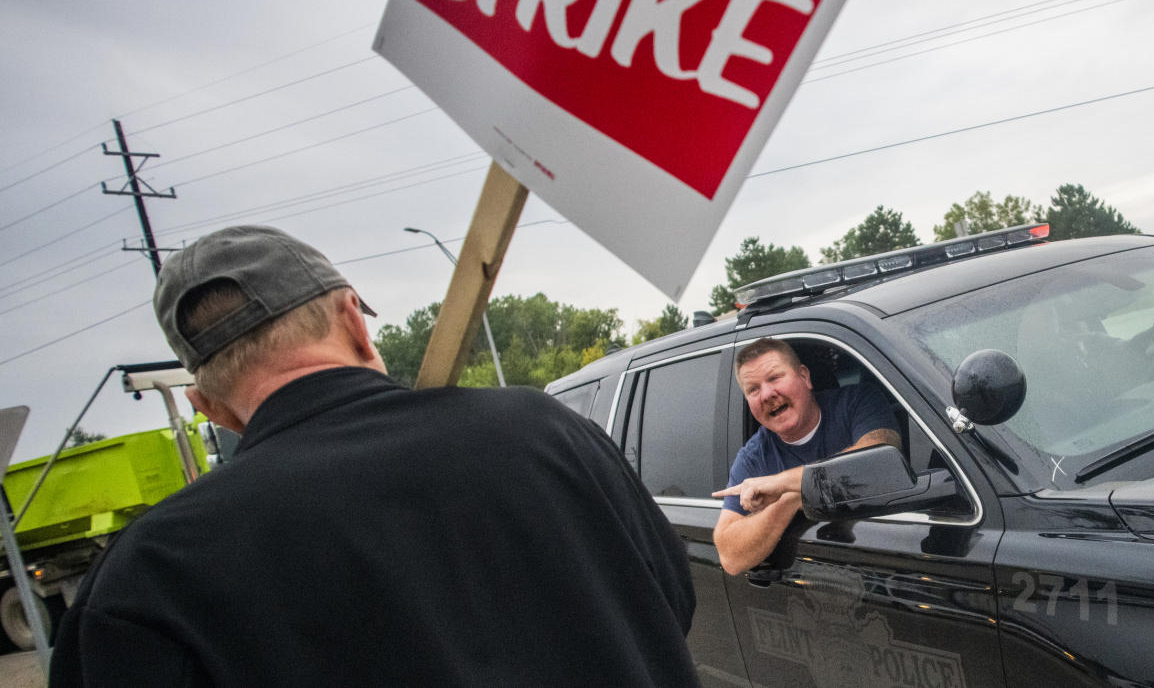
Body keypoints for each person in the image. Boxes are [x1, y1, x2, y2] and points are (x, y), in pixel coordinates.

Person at [50, 225, 698, 687]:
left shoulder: (148, 577)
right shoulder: (547, 431)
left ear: (206, 405)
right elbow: (670, 602)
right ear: (355, 320)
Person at [710, 338, 899, 575]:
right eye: (753, 389)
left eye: (774, 378)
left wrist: (780, 484)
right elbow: (730, 557)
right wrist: (790, 499)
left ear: (804, 377)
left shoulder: (858, 402)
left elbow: (881, 459)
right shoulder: (753, 457)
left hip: (888, 559)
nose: (767, 394)